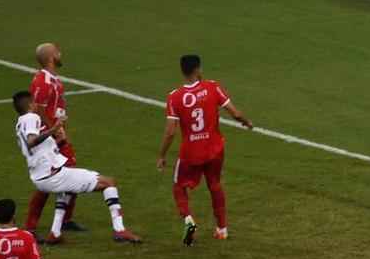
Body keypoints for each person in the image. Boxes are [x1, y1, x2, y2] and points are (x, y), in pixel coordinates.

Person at [13, 91, 141, 244]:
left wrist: (58, 140)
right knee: (108, 182)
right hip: (52, 175)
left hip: (43, 174)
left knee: (67, 190)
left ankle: (55, 232)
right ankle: (120, 230)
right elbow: (32, 141)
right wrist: (53, 129)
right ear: (31, 104)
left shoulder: (20, 123)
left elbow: (37, 146)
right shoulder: (31, 117)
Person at [157, 54, 252, 244]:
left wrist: (162, 155)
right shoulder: (212, 87)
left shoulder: (174, 97)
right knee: (215, 184)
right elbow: (234, 112)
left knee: (179, 188)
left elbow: (170, 132)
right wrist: (246, 122)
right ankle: (222, 229)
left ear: (183, 71)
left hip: (191, 152)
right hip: (215, 148)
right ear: (198, 69)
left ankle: (189, 220)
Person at [23, 43, 84, 242]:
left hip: (55, 134)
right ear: (51, 57)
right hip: (47, 138)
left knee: (70, 172)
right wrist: (54, 131)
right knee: (48, 180)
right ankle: (30, 227)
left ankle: (65, 219)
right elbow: (38, 110)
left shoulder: (52, 79)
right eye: (58, 51)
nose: (60, 53)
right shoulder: (43, 81)